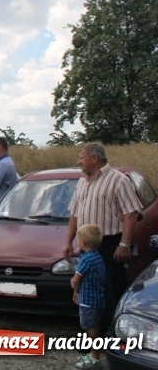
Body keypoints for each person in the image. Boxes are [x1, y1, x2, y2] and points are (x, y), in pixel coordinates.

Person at [63, 142, 142, 332]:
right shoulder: (82, 181)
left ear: (94, 159)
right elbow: (74, 213)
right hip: (86, 245)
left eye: (81, 158)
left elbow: (131, 214)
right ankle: (93, 332)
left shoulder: (118, 180)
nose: (78, 161)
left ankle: (117, 333)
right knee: (89, 290)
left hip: (109, 244)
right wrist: (68, 241)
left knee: (112, 288)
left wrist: (124, 244)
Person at [71, 223, 106, 369]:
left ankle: (95, 357)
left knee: (90, 328)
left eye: (78, 240)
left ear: (83, 242)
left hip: (87, 301)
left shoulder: (85, 259)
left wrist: (75, 289)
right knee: (95, 325)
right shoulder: (98, 257)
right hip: (98, 299)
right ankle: (93, 354)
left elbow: (76, 279)